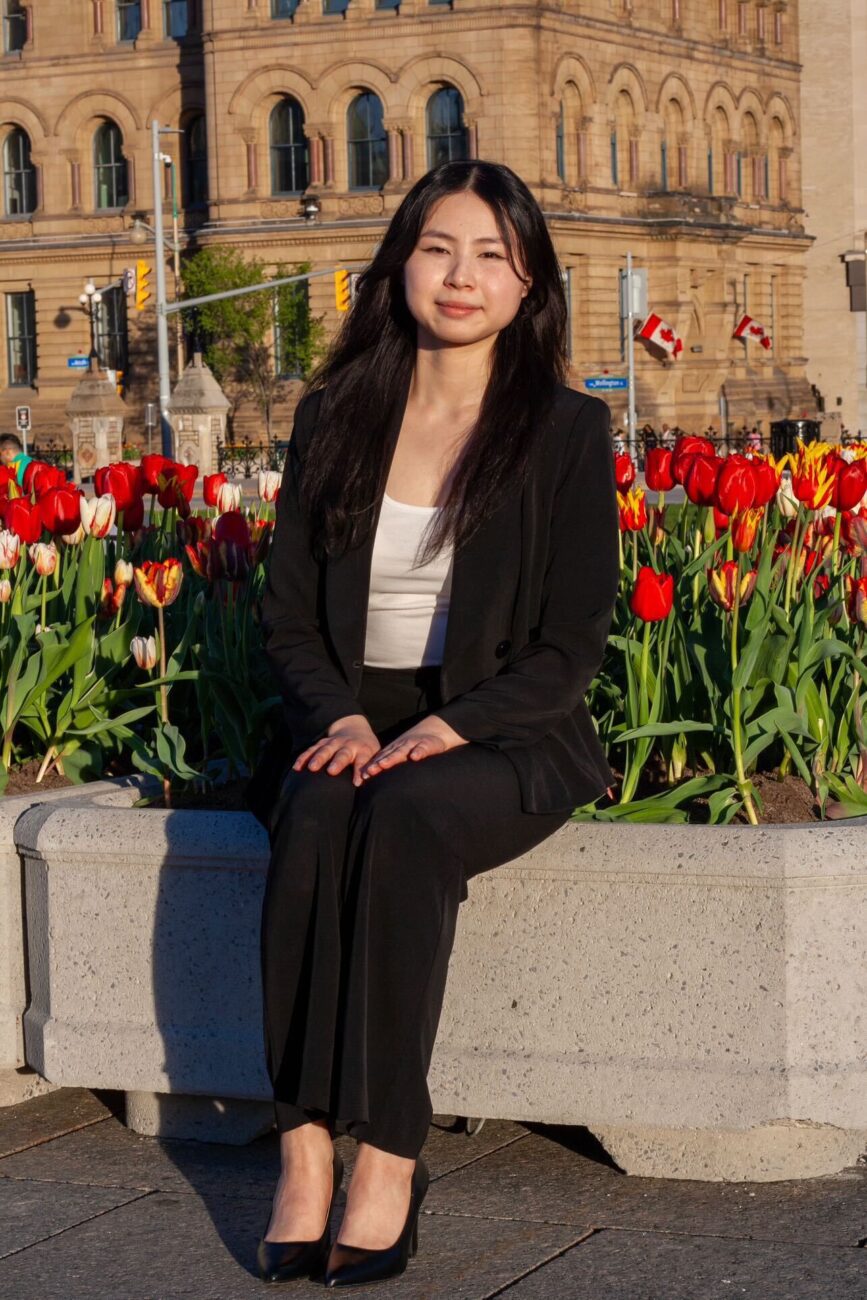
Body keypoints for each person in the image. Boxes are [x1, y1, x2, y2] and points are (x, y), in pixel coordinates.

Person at [250, 159, 620, 1289]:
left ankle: (391, 1157)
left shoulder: (561, 430)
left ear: (528, 287)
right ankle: (305, 1148)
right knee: (314, 812)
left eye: (493, 257)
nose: (462, 277)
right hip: (346, 714)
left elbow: (571, 645)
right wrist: (347, 718)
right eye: (439, 248)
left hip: (507, 731)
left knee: (404, 817)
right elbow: (287, 619)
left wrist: (451, 728)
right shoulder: (335, 416)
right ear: (401, 262)